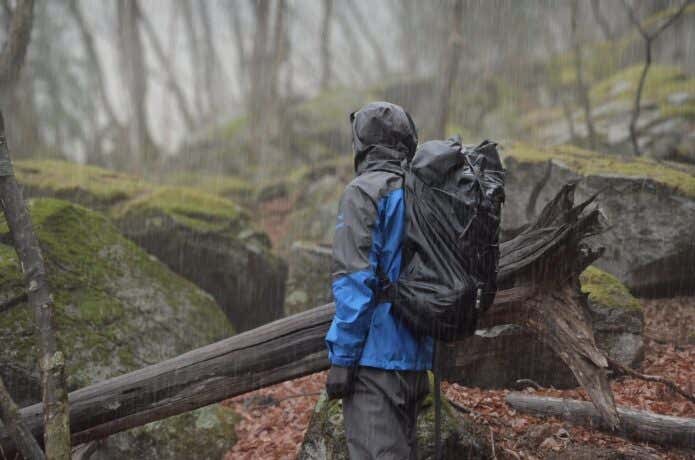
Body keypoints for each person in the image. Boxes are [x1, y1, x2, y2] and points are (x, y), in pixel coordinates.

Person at [324, 101, 433, 459]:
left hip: (376, 360)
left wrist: (343, 358)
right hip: (417, 358)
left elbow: (355, 280)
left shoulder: (363, 192)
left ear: (362, 143)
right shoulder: (422, 190)